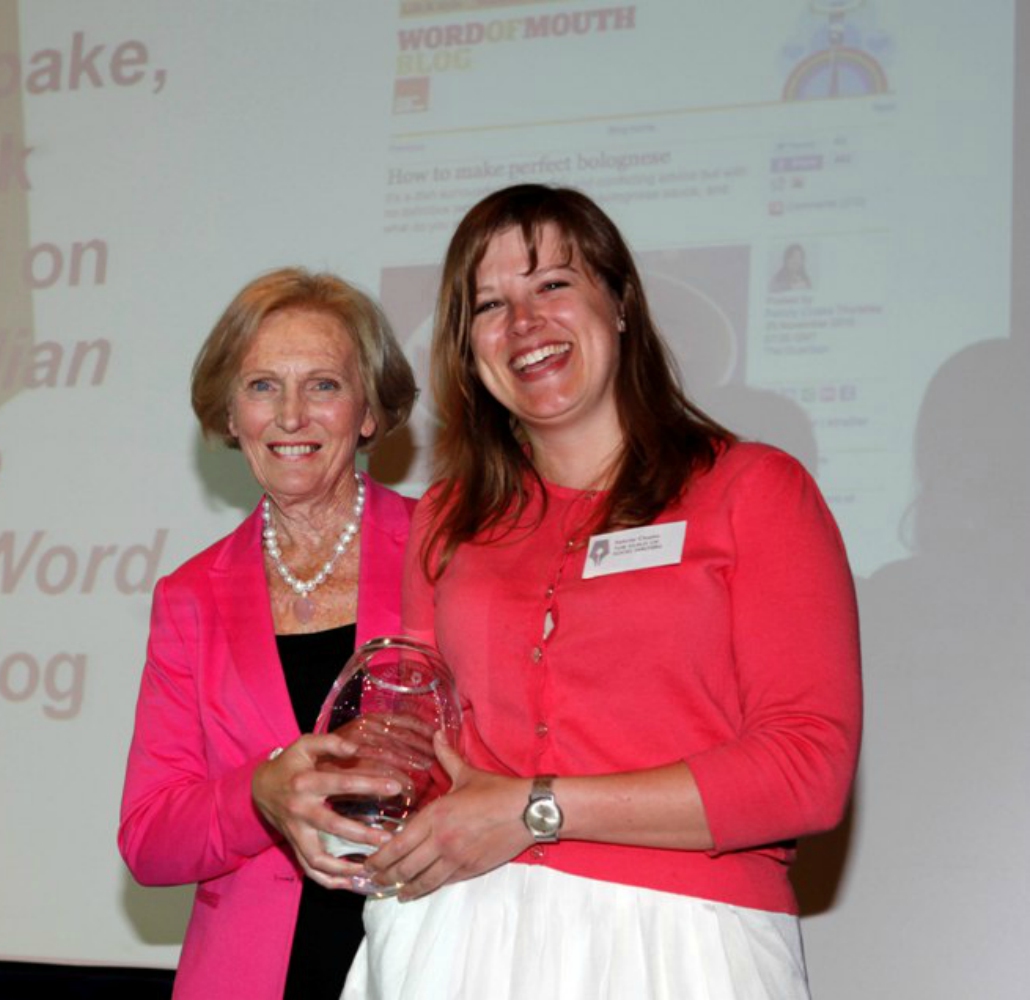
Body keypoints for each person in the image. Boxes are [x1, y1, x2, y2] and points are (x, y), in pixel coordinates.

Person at [341, 186, 861, 998]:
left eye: (553, 284)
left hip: (684, 943)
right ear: (467, 346)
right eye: (490, 305)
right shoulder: (448, 517)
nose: (524, 323)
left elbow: (807, 771)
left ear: (618, 304)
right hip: (460, 934)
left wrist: (536, 810)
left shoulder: (754, 491)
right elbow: (425, 750)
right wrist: (331, 781)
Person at [119, 268, 419, 999]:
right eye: (261, 387)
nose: (291, 416)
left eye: (322, 385)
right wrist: (261, 794)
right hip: (250, 975)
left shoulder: (446, 551)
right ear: (229, 415)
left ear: (370, 411)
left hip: (422, 952)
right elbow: (150, 838)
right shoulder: (190, 595)